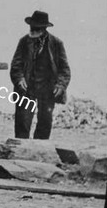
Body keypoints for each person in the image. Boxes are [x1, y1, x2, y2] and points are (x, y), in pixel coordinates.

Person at [10, 10, 71, 140]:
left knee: (45, 122)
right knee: (22, 122)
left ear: (43, 29)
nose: (32, 29)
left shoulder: (56, 43)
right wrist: (19, 79)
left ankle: (41, 149)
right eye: (31, 26)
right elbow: (16, 65)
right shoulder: (23, 42)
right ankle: (21, 149)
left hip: (48, 89)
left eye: (36, 27)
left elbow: (64, 69)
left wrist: (60, 85)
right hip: (26, 89)